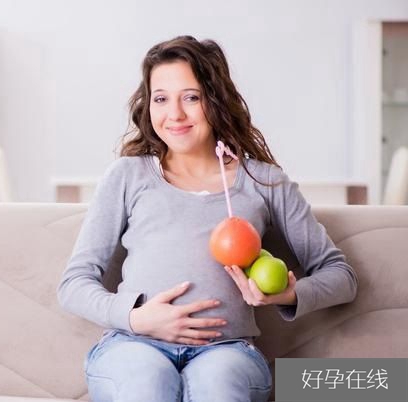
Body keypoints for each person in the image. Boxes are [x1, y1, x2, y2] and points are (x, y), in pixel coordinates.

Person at [56, 35, 357, 402]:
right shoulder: (126, 176)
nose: (175, 114)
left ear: (214, 101)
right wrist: (135, 318)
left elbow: (341, 277)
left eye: (191, 97)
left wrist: (287, 293)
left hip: (227, 351)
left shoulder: (264, 181)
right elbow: (73, 284)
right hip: (132, 345)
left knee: (217, 386)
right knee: (146, 385)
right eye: (161, 98)